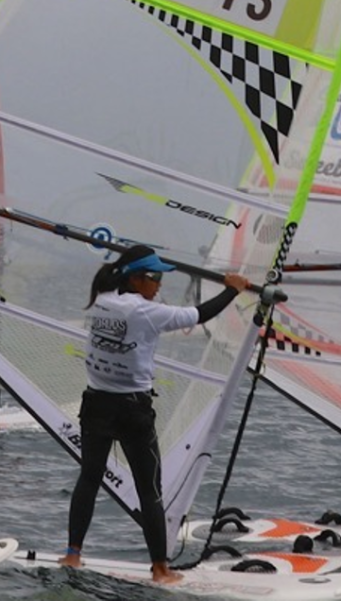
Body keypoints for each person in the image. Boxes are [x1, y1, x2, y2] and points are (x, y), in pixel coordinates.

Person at [59, 245, 250, 583]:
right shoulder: (147, 312)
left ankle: (73, 554)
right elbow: (200, 314)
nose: (159, 285)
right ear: (135, 279)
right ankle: (161, 569)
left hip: (96, 405)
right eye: (154, 277)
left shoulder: (103, 299)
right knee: (150, 490)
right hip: (132, 410)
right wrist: (233, 289)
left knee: (89, 478)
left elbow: (116, 280)